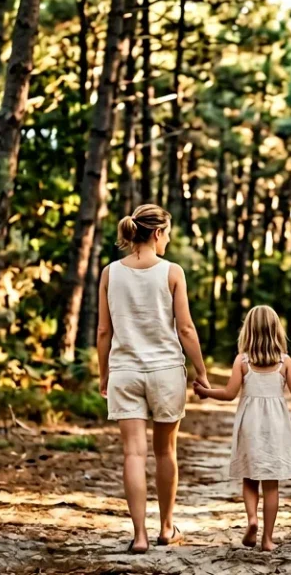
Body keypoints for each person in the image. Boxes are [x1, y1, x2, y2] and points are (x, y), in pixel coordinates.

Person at [97, 204, 210, 554]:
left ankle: (139, 536)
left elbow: (104, 330)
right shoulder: (172, 272)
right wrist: (201, 371)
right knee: (165, 451)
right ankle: (165, 528)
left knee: (133, 453)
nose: (169, 239)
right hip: (165, 374)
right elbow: (186, 328)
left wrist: (104, 375)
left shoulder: (110, 273)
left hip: (125, 372)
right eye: (169, 233)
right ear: (158, 233)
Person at [193, 306, 291, 552]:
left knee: (249, 477)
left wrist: (205, 392)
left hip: (249, 425)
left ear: (248, 332)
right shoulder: (284, 362)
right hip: (276, 427)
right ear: (277, 331)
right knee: (271, 483)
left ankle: (252, 519)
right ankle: (267, 538)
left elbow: (229, 393)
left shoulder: (242, 361)